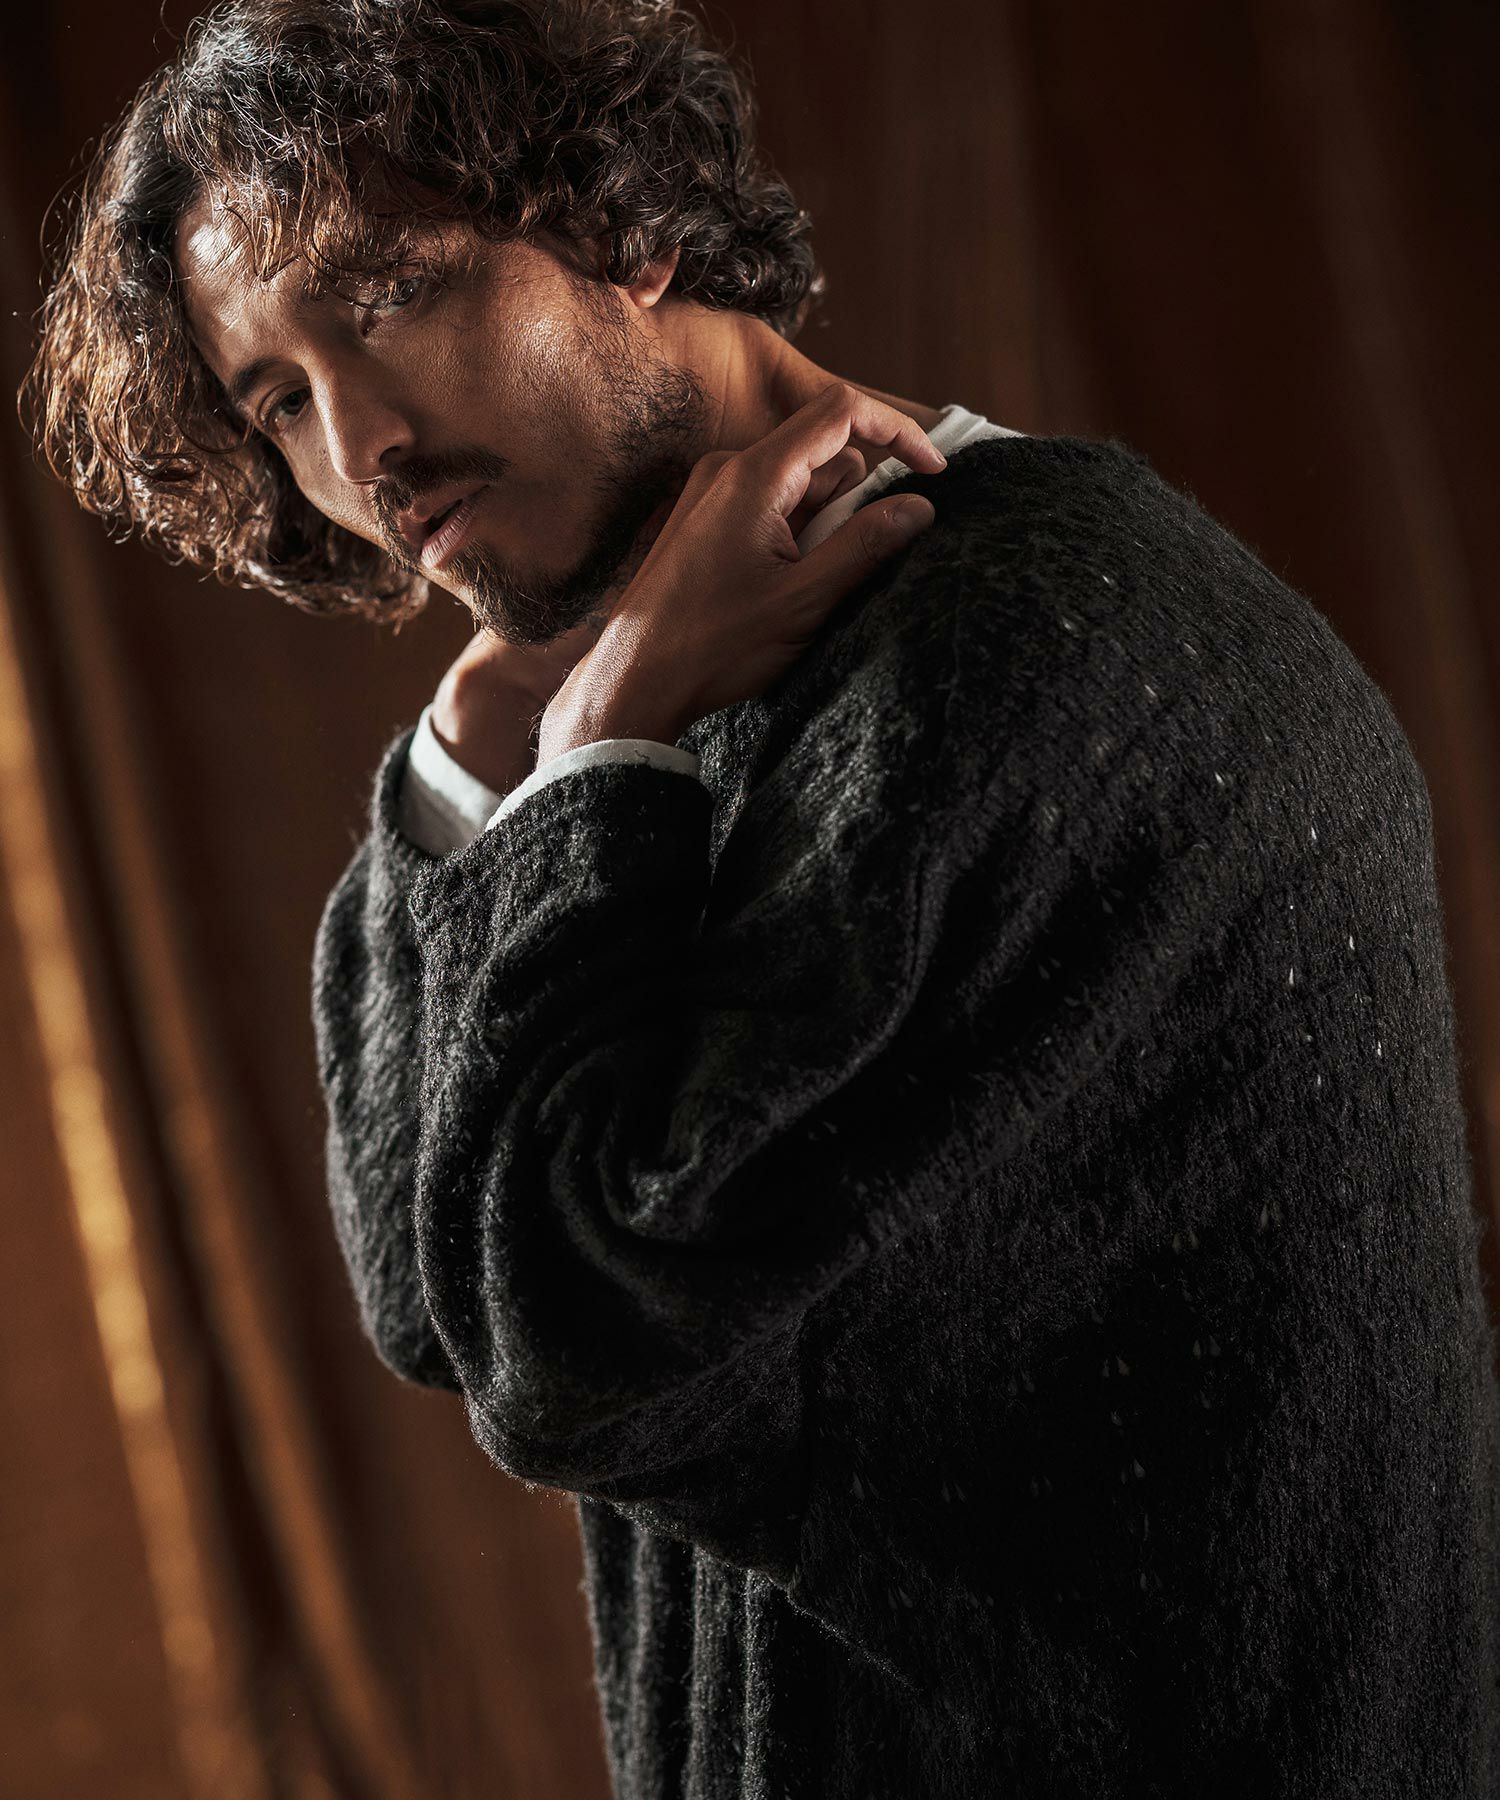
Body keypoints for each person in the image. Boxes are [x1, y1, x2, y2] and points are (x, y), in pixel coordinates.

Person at [23, 0, 1500, 1794]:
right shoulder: (687, 678)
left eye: (393, 294)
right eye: (278, 400)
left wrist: (602, 746)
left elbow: (577, 1349)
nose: (360, 445)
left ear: (623, 220)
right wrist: (490, 749)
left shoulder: (1025, 645)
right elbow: (431, 1285)